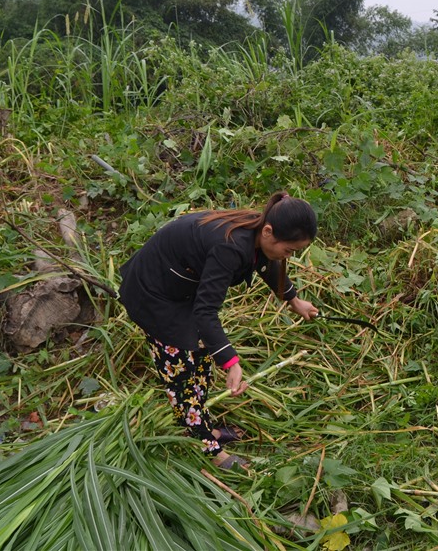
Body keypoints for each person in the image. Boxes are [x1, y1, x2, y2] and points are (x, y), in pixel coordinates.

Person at [118, 191, 319, 470]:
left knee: (201, 355)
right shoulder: (231, 246)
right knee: (181, 373)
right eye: (290, 250)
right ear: (269, 232)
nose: (289, 256)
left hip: (182, 288)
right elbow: (205, 312)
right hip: (153, 293)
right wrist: (231, 363)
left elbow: (269, 262)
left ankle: (205, 425)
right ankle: (205, 446)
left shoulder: (259, 231)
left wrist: (293, 300)